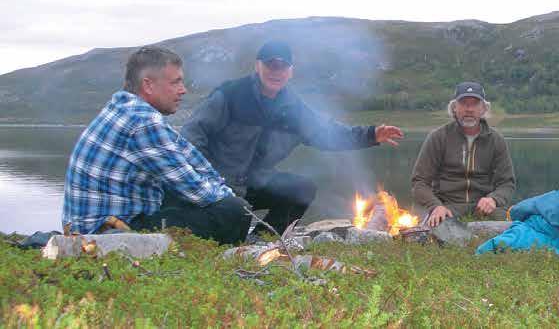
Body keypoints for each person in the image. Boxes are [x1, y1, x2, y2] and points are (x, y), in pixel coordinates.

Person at [181, 40, 404, 234]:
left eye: (283, 66)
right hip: (217, 183)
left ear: (290, 71)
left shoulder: (293, 107)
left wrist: (371, 134)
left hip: (256, 182)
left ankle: (264, 238)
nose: (276, 71)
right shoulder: (230, 95)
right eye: (270, 64)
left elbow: (329, 134)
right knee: (231, 225)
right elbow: (192, 134)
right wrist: (204, 178)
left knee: (302, 190)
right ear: (257, 66)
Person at [62, 46, 250, 244]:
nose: (183, 90)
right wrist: (230, 198)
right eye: (175, 82)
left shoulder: (127, 108)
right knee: (235, 211)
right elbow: (197, 191)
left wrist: (221, 187)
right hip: (105, 233)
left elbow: (189, 155)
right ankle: (221, 258)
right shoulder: (143, 122)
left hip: (95, 224)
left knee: (191, 195)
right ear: (149, 85)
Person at [411, 82, 516, 227]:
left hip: (483, 207)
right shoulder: (438, 137)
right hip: (447, 206)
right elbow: (419, 182)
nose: (469, 109)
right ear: (454, 108)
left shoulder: (496, 140)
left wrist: (494, 199)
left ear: (484, 109)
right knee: (435, 225)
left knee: (509, 226)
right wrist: (435, 205)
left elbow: (507, 183)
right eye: (464, 103)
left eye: (474, 104)